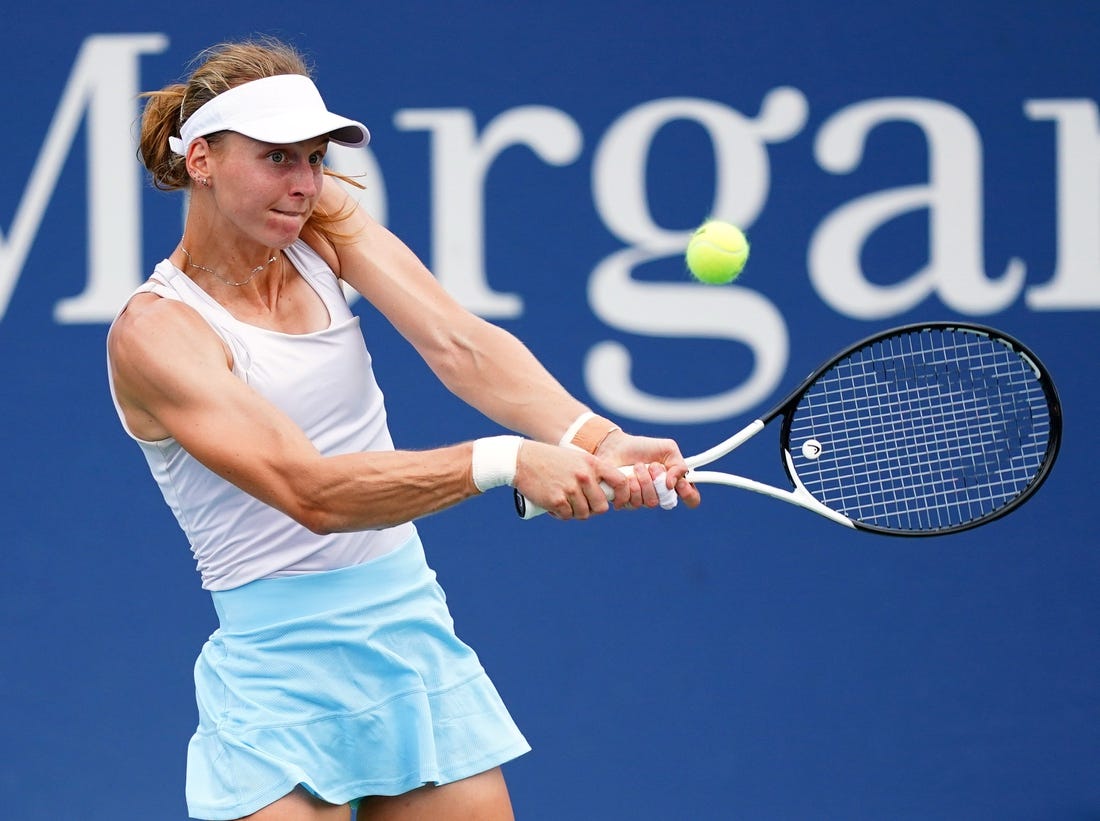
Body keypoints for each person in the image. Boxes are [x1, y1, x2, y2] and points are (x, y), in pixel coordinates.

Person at [107, 36, 700, 821]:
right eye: (278, 158)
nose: (304, 184)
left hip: (410, 640)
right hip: (276, 680)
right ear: (203, 159)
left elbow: (458, 341)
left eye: (314, 158)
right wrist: (506, 460)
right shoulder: (156, 334)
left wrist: (592, 436)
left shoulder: (324, 223)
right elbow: (309, 491)